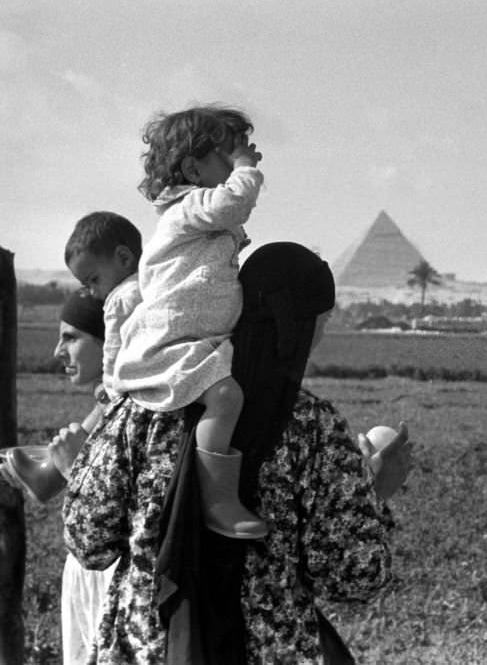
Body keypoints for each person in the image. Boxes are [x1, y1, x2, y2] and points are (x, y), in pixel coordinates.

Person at [63, 242, 411, 664]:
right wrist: (374, 497)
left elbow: (88, 541)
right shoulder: (314, 430)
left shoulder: (144, 407)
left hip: (149, 649)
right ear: (306, 326)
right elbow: (353, 577)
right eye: (322, 321)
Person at [111, 105, 265, 539]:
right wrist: (246, 169)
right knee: (226, 398)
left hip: (197, 338)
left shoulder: (199, 215)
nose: (238, 161)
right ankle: (218, 499)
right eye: (226, 155)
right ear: (193, 169)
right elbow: (233, 202)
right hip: (174, 343)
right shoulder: (187, 207)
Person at [0, 292, 116, 664]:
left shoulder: (135, 410)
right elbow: (50, 479)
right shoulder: (108, 405)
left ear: (109, 340)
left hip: (108, 576)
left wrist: (67, 467)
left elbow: (68, 481)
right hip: (90, 575)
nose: (56, 352)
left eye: (71, 337)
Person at [62, 211, 143, 401]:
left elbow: (113, 355)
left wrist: (108, 390)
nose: (91, 292)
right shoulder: (156, 285)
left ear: (124, 258)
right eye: (86, 285)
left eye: (94, 280)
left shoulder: (119, 300)